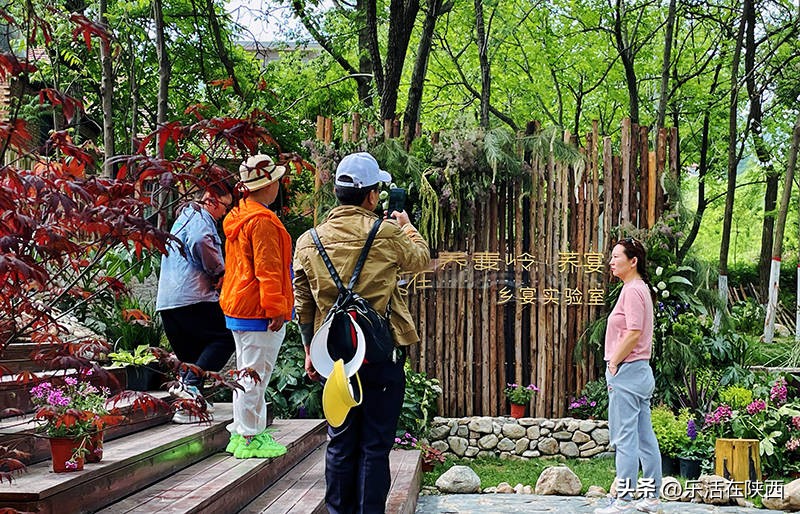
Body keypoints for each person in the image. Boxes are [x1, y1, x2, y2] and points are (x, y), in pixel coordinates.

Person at [293, 152, 431, 514]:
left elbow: (303, 301)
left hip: (333, 353)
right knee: (374, 444)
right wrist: (406, 225)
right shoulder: (386, 233)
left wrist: (309, 349)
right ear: (371, 196)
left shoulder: (308, 240)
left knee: (339, 442)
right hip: (379, 353)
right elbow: (420, 260)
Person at [219, 154, 294, 459]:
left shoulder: (240, 215)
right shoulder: (261, 221)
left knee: (245, 371)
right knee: (255, 374)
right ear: (268, 185)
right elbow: (269, 268)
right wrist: (276, 308)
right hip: (259, 311)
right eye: (276, 179)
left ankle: (243, 431)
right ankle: (250, 435)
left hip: (240, 305)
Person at [156, 183, 236, 424]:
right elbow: (201, 241)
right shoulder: (200, 218)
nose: (225, 212)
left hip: (168, 301)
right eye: (225, 206)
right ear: (211, 199)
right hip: (193, 297)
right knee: (226, 336)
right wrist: (218, 272)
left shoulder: (182, 218)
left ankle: (188, 407)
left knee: (192, 355)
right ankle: (189, 385)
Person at [595, 237, 662, 514]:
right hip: (639, 372)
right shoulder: (638, 288)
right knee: (644, 438)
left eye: (616, 257)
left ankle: (623, 500)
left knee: (625, 438)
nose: (611, 262)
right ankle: (653, 498)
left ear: (633, 261)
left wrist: (613, 362)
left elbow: (634, 332)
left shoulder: (633, 290)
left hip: (628, 372)